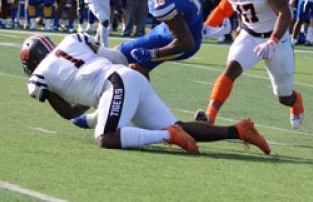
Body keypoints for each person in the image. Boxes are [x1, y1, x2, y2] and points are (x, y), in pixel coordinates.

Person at [20, 33, 270, 154]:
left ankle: (165, 136)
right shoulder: (72, 39)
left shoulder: (38, 77)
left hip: (114, 84)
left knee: (106, 138)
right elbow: (118, 57)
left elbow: (68, 110)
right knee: (179, 125)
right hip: (125, 76)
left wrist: (84, 112)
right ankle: (238, 130)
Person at [193, 0, 304, 130]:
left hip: (276, 37)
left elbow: (285, 13)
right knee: (231, 69)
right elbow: (228, 3)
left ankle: (297, 102)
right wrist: (208, 25)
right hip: (250, 34)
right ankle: (210, 117)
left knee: (283, 96)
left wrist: (273, 41)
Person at [114, 0, 204, 78]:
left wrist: (152, 54)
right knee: (137, 68)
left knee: (118, 54)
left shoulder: (164, 2)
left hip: (182, 40)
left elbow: (185, 42)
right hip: (173, 28)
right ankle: (144, 98)